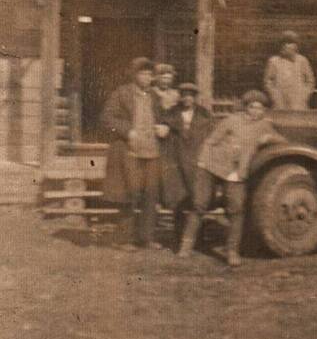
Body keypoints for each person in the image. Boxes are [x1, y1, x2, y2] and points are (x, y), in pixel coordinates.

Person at [178, 90, 285, 267]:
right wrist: (203, 163)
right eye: (252, 107)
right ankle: (186, 246)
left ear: (264, 110)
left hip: (237, 170)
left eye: (260, 108)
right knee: (200, 204)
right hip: (213, 164)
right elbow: (211, 141)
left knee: (236, 208)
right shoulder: (231, 120)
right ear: (246, 107)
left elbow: (282, 141)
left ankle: (232, 251)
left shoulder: (265, 125)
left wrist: (270, 138)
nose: (256, 111)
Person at [100, 57, 171, 250]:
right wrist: (127, 130)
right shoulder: (121, 94)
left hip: (151, 152)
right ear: (134, 75)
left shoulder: (154, 97)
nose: (148, 77)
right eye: (143, 73)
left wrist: (164, 126)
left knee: (150, 194)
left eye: (150, 74)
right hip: (129, 152)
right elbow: (107, 118)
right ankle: (123, 239)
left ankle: (146, 238)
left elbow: (164, 118)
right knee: (128, 193)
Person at [160, 82, 214, 234]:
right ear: (180, 97)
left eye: (190, 96)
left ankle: (196, 233)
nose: (187, 99)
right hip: (177, 161)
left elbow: (212, 137)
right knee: (178, 197)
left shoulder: (204, 114)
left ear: (195, 98)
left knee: (197, 197)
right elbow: (163, 132)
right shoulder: (171, 113)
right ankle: (178, 233)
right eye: (184, 95)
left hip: (197, 161)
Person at [263, 31, 315, 110]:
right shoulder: (274, 61)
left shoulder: (302, 60)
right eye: (284, 43)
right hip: (280, 101)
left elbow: (310, 81)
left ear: (296, 46)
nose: (286, 46)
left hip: (298, 102)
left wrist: (304, 95)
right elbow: (268, 81)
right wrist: (275, 96)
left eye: (290, 43)